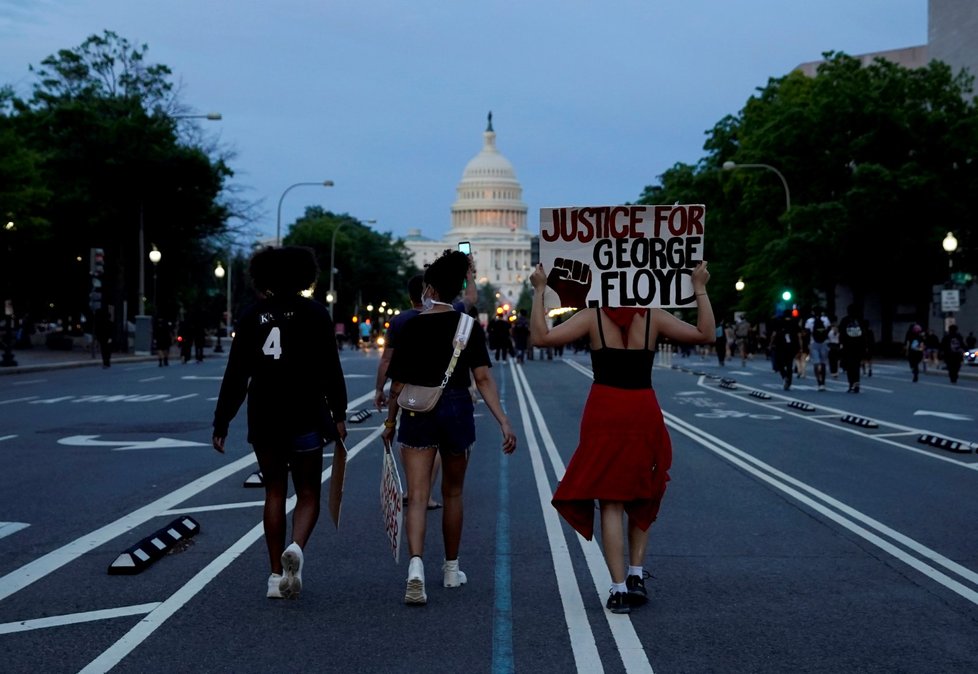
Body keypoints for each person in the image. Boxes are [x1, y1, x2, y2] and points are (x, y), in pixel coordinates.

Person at [529, 260, 714, 614]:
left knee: (610, 499)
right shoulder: (654, 315)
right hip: (642, 407)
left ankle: (617, 589)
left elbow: (541, 338)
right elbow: (706, 333)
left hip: (604, 408)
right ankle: (635, 574)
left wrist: (540, 291)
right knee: (642, 491)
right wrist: (700, 287)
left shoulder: (592, 315)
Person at [212, 246, 348, 600]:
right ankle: (297, 548)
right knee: (307, 493)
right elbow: (331, 370)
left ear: (264, 277)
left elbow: (236, 374)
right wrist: (339, 413)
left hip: (265, 414)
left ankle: (275, 576)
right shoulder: (317, 314)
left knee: (273, 491)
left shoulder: (250, 315)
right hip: (305, 411)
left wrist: (222, 421)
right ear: (306, 274)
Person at [382, 250, 517, 606]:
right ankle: (452, 569)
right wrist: (503, 419)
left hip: (418, 410)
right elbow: (483, 378)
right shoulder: (467, 326)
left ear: (427, 288)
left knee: (418, 495)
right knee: (453, 492)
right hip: (456, 407)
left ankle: (415, 568)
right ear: (458, 288)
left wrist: (390, 421)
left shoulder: (411, 324)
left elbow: (397, 383)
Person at [374, 274, 442, 510]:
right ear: (431, 292)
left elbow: (386, 360)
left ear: (409, 295)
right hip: (437, 392)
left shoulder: (400, 320)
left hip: (406, 392)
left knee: (409, 441)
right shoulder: (443, 318)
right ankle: (426, 493)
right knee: (436, 444)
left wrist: (378, 390)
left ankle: (414, 489)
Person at [838, 304, 868, 393]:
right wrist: (865, 346)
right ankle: (857, 382)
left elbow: (841, 333)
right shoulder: (860, 320)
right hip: (858, 346)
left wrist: (841, 344)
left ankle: (851, 383)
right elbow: (864, 334)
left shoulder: (845, 320)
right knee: (856, 365)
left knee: (849, 366)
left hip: (848, 346)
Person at [770, 314, 800, 390]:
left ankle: (784, 376)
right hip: (791, 347)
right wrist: (800, 347)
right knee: (789, 364)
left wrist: (771, 343)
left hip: (780, 346)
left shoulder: (779, 323)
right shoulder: (794, 323)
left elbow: (774, 334)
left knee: (779, 363)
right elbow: (799, 336)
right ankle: (789, 381)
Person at [805, 309, 831, 391]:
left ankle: (819, 382)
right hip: (824, 342)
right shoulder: (825, 319)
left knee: (816, 363)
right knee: (823, 363)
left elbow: (807, 332)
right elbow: (828, 329)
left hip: (813, 342)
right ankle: (823, 382)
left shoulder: (809, 321)